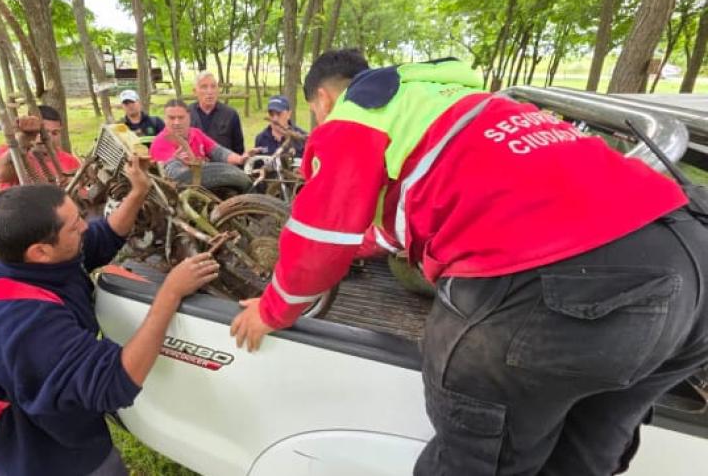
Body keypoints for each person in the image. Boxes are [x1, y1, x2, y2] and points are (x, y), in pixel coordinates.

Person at [230, 49, 708, 475]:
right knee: (583, 456)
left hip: (562, 286)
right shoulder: (466, 102)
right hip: (687, 256)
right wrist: (366, 242)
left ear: (322, 100)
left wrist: (271, 311)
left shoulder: (355, 117)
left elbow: (317, 246)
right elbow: (418, 205)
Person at [0, 171, 220, 476]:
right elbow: (115, 381)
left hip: (55, 412)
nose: (84, 227)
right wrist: (169, 292)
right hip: (49, 455)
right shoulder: (26, 325)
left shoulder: (27, 264)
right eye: (74, 227)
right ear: (40, 251)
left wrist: (138, 193)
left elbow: (101, 237)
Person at [151, 99, 251, 180]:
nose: (176, 122)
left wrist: (240, 159)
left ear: (189, 117)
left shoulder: (196, 133)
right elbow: (175, 174)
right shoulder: (160, 143)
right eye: (171, 118)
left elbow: (218, 152)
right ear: (165, 119)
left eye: (181, 117)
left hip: (205, 185)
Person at [0, 105, 80, 189]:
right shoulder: (8, 152)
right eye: (43, 131)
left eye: (55, 133)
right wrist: (21, 143)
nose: (49, 137)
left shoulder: (70, 161)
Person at [188, 70, 245, 154]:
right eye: (204, 87)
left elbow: (238, 149)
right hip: (194, 165)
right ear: (195, 91)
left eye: (213, 87)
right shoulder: (186, 114)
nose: (209, 92)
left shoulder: (230, 114)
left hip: (224, 165)